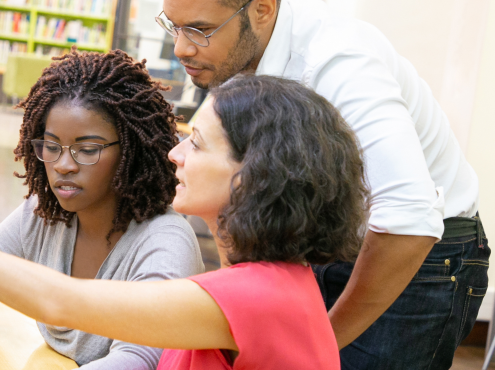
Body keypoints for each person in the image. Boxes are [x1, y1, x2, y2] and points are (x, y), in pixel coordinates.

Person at [0, 74, 369, 369]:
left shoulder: (254, 296)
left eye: (197, 142)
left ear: (252, 174)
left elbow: (62, 301)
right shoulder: (263, 284)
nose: (174, 153)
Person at [154, 0, 488, 367]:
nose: (181, 48)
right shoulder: (237, 55)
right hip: (334, 240)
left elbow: (409, 218)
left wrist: (317, 345)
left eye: (201, 30)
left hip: (417, 250)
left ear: (262, 9)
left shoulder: (337, 60)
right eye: (173, 26)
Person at [0, 49, 204, 369]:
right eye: (52, 147)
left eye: (87, 150)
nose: (63, 166)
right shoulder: (46, 213)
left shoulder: (165, 241)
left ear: (131, 152)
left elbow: (140, 358)